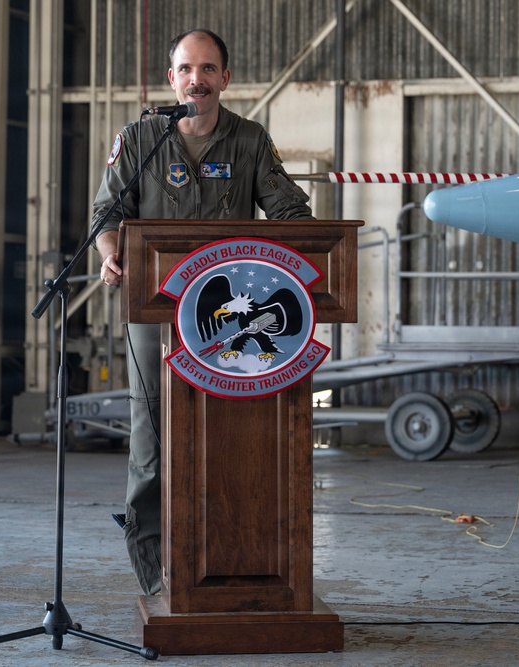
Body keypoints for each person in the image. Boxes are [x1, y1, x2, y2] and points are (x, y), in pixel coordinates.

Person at [90, 29, 315, 595]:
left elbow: (288, 208)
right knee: (151, 432)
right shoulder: (140, 137)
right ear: (172, 79)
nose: (197, 79)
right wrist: (111, 252)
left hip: (230, 316)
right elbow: (107, 212)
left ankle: (228, 558)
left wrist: (307, 245)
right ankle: (153, 567)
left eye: (208, 69)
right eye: (186, 69)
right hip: (152, 305)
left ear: (225, 79)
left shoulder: (249, 140)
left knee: (231, 431)